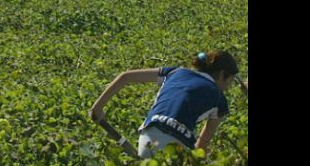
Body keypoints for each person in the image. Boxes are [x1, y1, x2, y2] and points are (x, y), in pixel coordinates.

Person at [89, 50, 244, 159]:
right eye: (230, 81)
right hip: (177, 147)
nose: (228, 87)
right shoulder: (220, 100)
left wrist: (98, 107)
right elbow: (202, 144)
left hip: (148, 138)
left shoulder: (175, 72)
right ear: (222, 74)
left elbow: (125, 77)